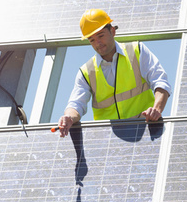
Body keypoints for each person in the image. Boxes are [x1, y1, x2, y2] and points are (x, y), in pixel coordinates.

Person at [56, 9, 172, 137]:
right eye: (92, 40)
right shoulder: (86, 73)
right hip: (107, 142)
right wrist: (68, 117)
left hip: (147, 132)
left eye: (100, 36)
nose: (98, 43)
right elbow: (76, 104)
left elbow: (161, 82)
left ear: (112, 31)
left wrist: (156, 109)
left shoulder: (137, 51)